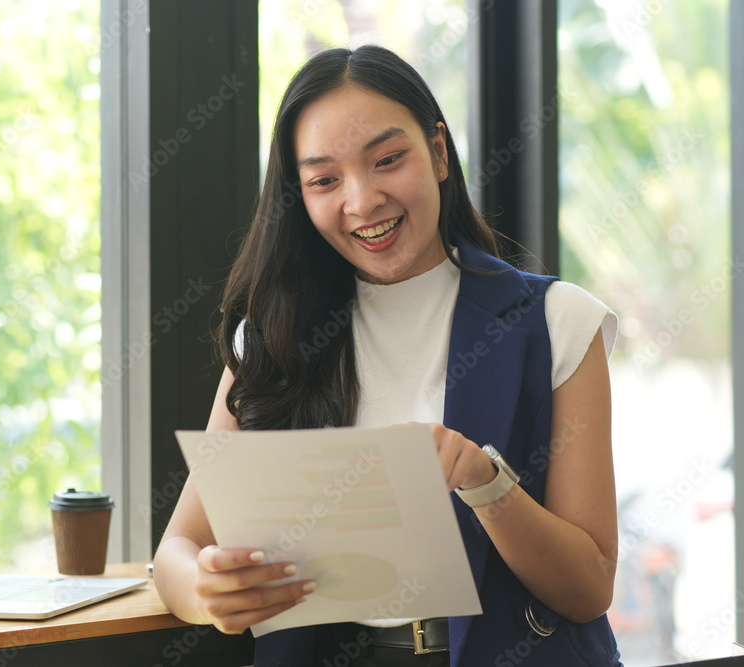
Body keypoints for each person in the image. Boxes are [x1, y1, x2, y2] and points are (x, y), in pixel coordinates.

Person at [152, 44, 622, 667]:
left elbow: (590, 588)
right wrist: (209, 592)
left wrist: (485, 483)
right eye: (324, 180)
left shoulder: (559, 322)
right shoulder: (274, 338)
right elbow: (177, 552)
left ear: (438, 152)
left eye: (388, 160)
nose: (362, 200)